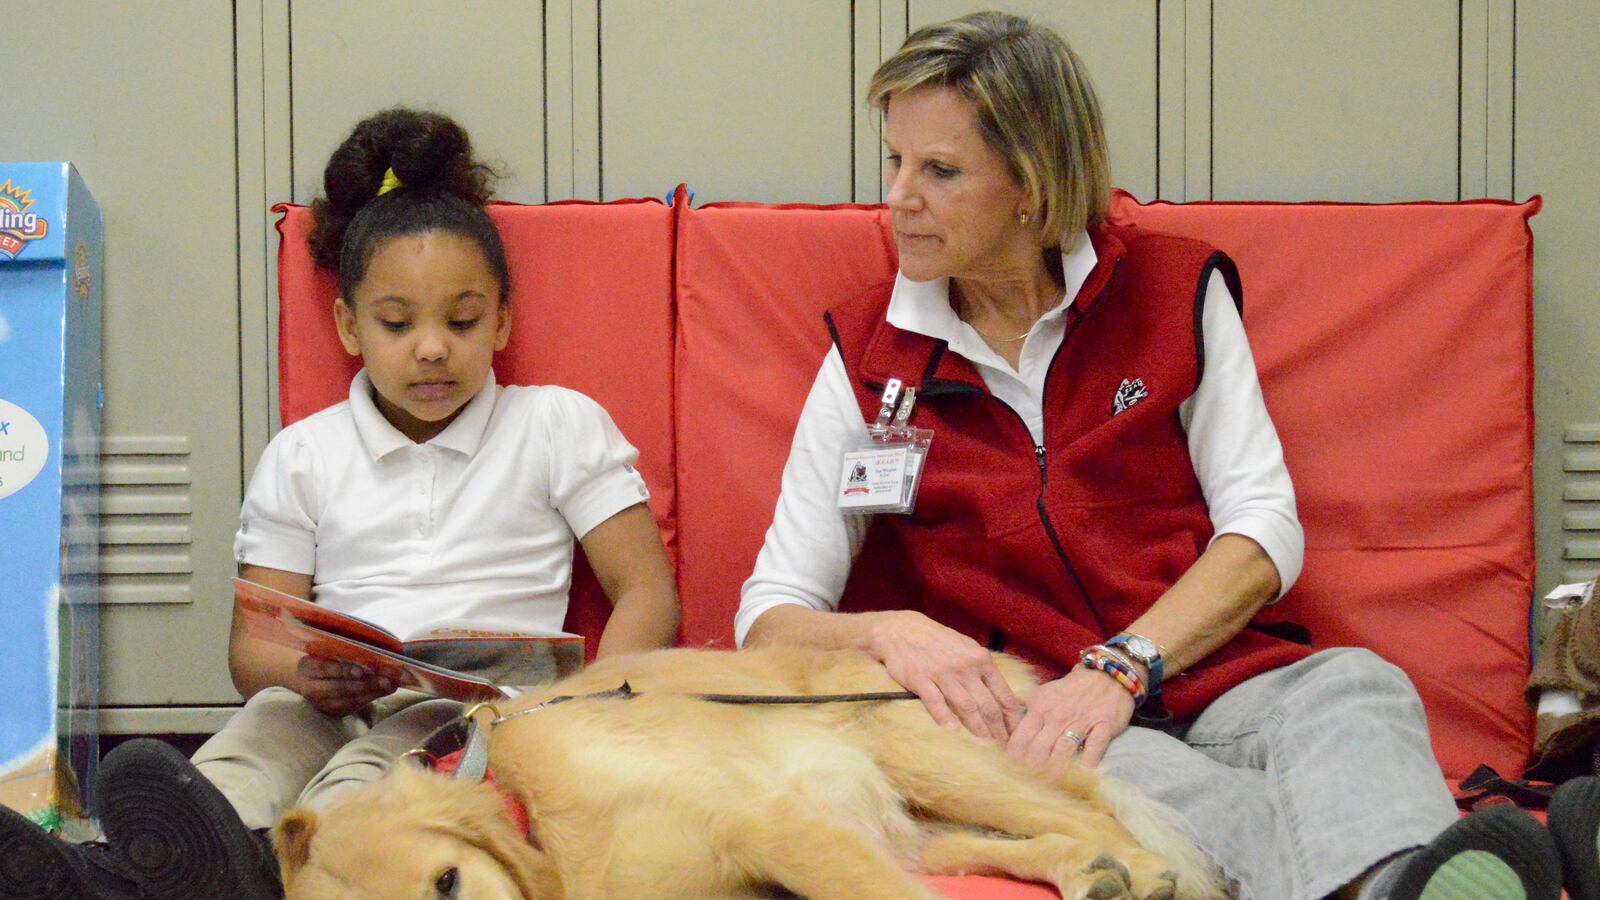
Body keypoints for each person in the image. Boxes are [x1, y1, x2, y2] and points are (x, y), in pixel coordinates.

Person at [736, 12, 1596, 900]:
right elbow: (768, 616)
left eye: (940, 171)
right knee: (1178, 793)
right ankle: (1411, 887)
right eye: (895, 162)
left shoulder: (1174, 291)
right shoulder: (870, 357)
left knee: (1357, 686)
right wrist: (893, 632)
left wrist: (1125, 663)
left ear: (1032, 185)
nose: (899, 198)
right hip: (1039, 708)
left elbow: (1261, 530)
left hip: (1209, 669)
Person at [0, 107, 679, 900]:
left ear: (502, 319)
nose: (433, 347)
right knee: (252, 741)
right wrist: (305, 674)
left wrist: (577, 708)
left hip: (484, 716)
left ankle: (260, 871)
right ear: (349, 327)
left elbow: (647, 591)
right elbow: (250, 657)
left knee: (371, 770)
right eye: (398, 323)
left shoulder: (557, 424)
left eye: (461, 320)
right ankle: (113, 868)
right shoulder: (306, 453)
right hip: (338, 697)